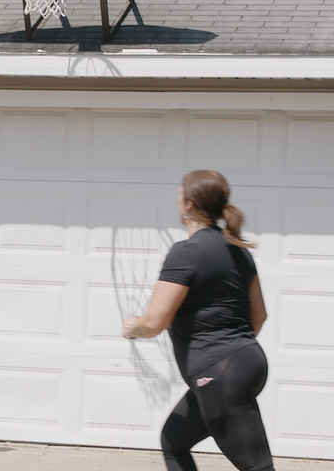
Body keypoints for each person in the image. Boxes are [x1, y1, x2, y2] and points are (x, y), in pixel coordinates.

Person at [123, 169, 273, 471]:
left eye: (179, 194)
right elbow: (259, 315)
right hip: (246, 362)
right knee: (174, 441)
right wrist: (235, 353)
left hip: (218, 372)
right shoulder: (238, 249)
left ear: (188, 204)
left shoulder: (186, 252)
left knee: (258, 468)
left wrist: (133, 328)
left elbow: (154, 321)